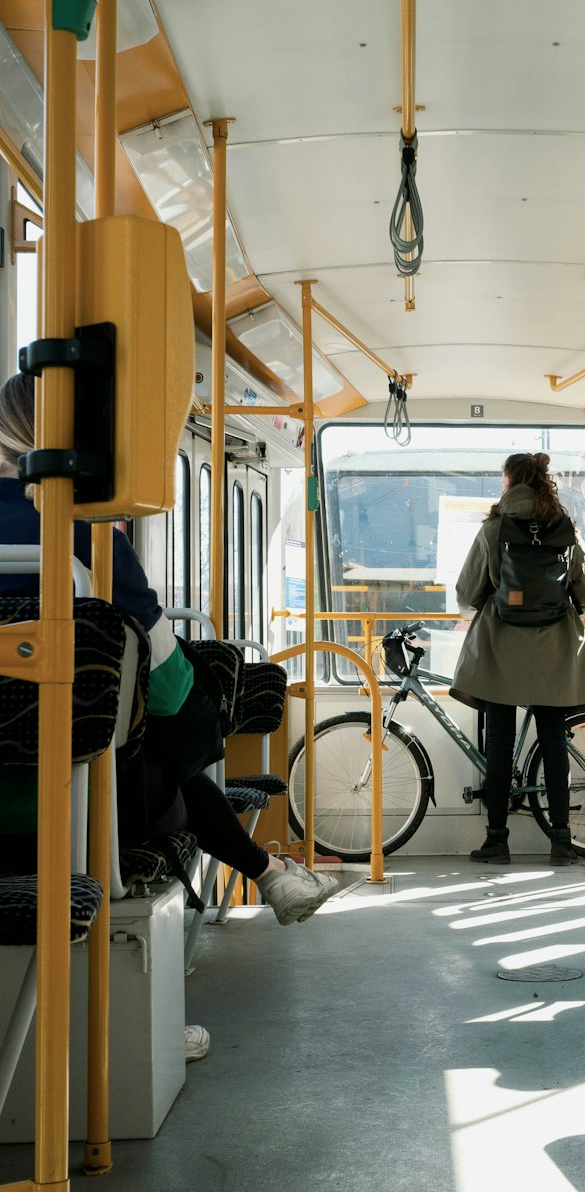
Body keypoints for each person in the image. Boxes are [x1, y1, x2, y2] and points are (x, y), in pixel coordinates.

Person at [0, 372, 339, 1059]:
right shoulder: (86, 542)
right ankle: (260, 885)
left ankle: (271, 877)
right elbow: (170, 690)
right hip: (63, 815)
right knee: (172, 761)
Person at [453, 451, 585, 864]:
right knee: (554, 742)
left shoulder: (493, 530)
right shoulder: (563, 528)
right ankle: (560, 841)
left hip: (500, 652)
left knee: (499, 744)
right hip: (556, 651)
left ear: (509, 481)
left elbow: (467, 595)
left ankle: (496, 841)